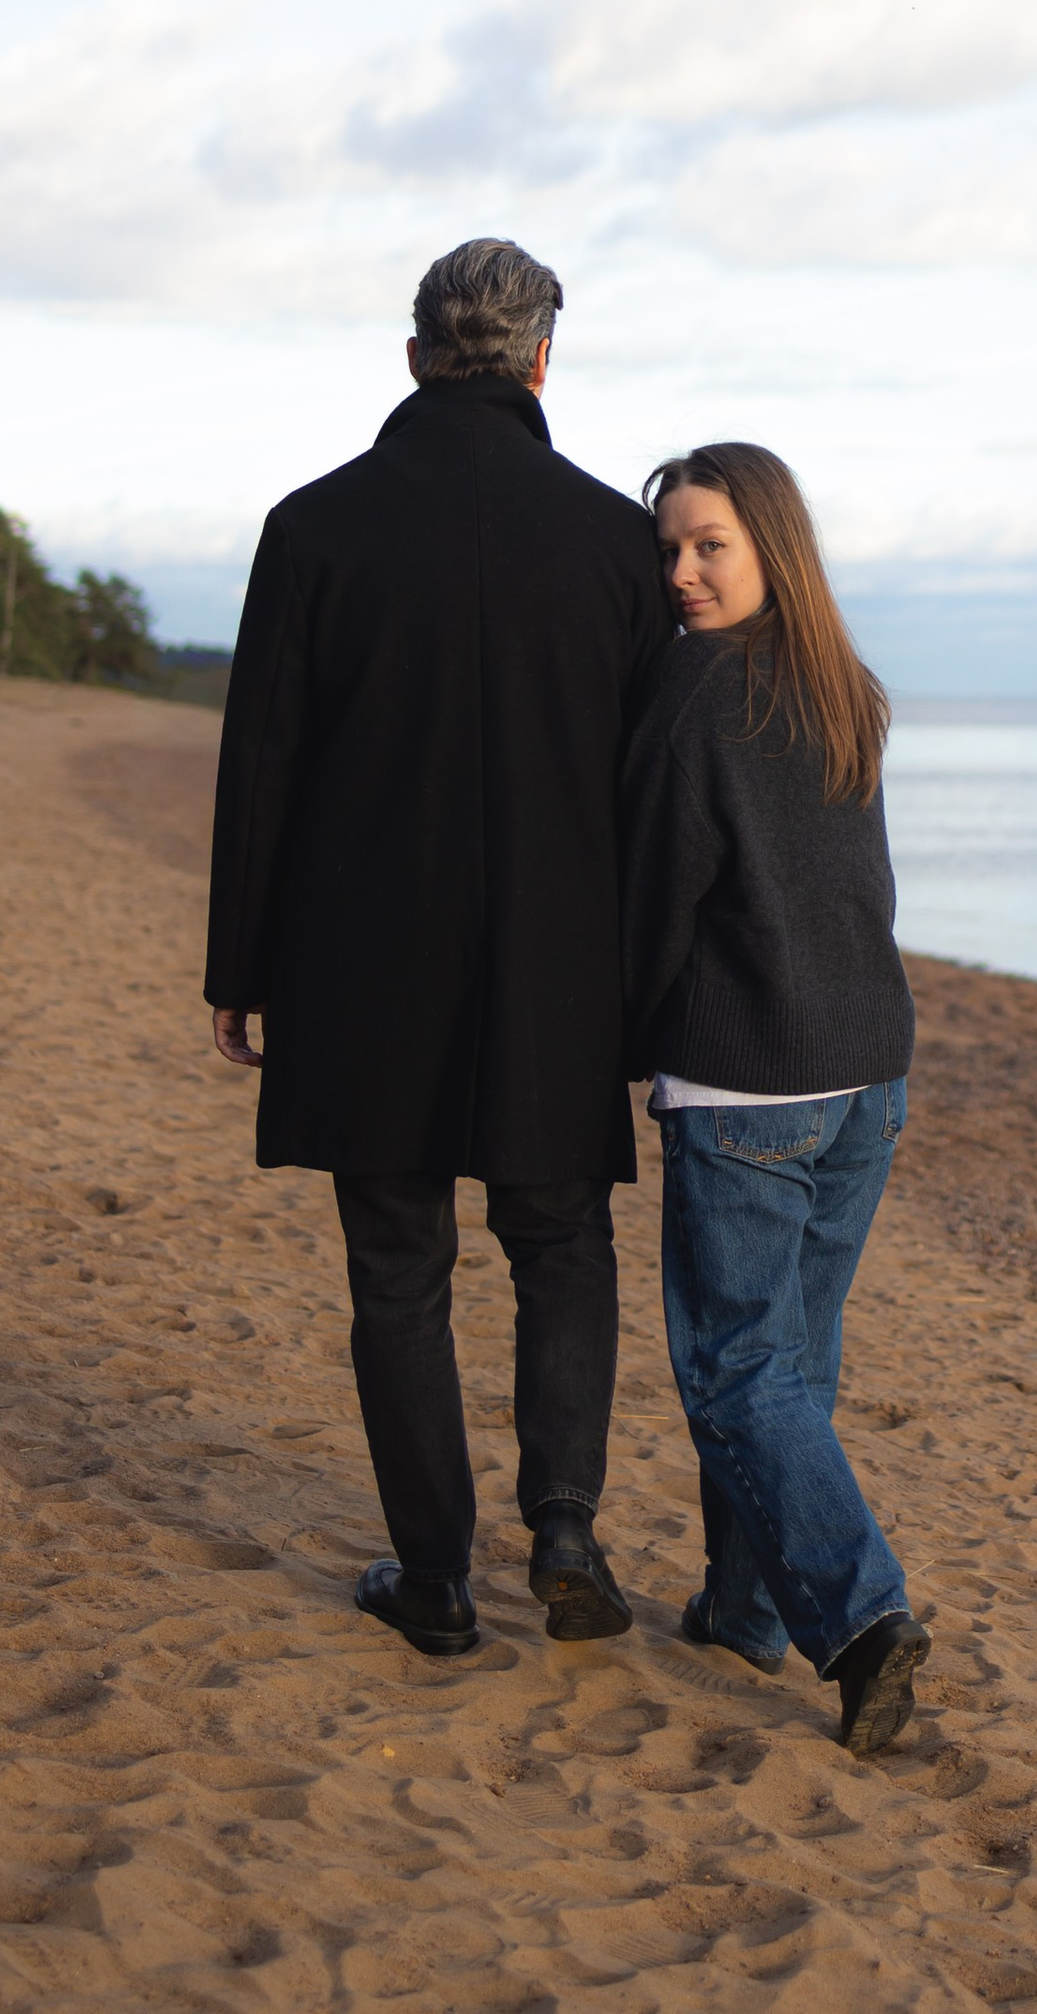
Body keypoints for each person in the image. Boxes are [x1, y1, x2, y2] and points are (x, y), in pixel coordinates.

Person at [204, 239, 674, 1660]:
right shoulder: (615, 544)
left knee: (397, 1270)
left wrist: (240, 968)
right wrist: (658, 983)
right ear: (541, 360)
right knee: (561, 1241)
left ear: (415, 356)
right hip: (559, 964)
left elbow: (262, 764)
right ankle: (570, 1527)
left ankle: (437, 1577)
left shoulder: (314, 526)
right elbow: (652, 790)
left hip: (362, 964)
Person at [618, 440, 927, 1757]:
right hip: (868, 1073)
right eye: (670, 548)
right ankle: (744, 1609)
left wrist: (614, 1047)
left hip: (749, 1082)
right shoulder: (841, 684)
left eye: (709, 546)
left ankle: (859, 1622)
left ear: (771, 548)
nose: (681, 573)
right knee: (790, 1368)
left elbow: (650, 901)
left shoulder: (693, 690)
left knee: (740, 1374)